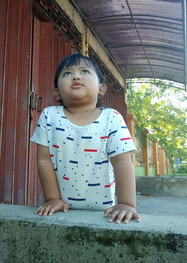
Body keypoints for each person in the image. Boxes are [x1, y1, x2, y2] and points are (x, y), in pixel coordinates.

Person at [31, 53, 141, 224]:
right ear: (57, 92)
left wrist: (126, 203)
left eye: (84, 71)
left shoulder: (111, 118)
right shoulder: (49, 116)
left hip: (106, 214)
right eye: (67, 73)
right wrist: (52, 198)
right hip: (63, 211)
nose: (76, 76)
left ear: (101, 88)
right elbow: (44, 160)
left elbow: (122, 161)